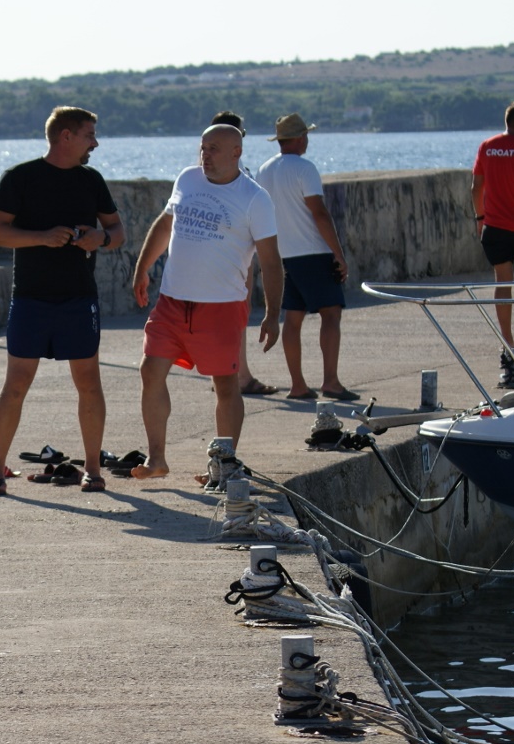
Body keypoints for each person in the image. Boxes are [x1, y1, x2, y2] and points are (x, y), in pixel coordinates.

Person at [0, 107, 126, 497]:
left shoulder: (91, 180)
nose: (95, 142)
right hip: (31, 298)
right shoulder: (21, 178)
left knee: (89, 384)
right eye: (89, 134)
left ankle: (93, 470)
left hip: (79, 299)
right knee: (15, 385)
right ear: (65, 136)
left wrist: (102, 239)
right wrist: (43, 237)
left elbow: (117, 231)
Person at [129, 124, 283, 481]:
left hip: (221, 307)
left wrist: (272, 314)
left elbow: (272, 261)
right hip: (171, 301)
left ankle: (224, 465)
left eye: (214, 149)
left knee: (226, 385)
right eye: (202, 148)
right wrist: (142, 268)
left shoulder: (254, 198)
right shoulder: (187, 179)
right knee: (150, 371)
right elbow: (165, 225)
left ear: (236, 153)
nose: (205, 156)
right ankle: (157, 459)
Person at [256, 114, 356, 401]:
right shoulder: (304, 168)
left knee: (293, 318)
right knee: (331, 314)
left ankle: (297, 384)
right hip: (313, 251)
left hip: (283, 254)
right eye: (306, 136)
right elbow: (319, 213)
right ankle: (331, 382)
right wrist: (338, 253)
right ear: (300, 138)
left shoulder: (264, 170)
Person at [210, 110, 279, 397]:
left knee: (217, 320)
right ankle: (239, 376)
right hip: (236, 258)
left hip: (211, 257)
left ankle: (226, 374)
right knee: (236, 317)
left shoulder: (199, 177)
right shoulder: (241, 179)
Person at [472, 100, 514, 389]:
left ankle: (507, 348)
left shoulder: (486, 146)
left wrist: (480, 217)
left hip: (494, 227)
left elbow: (476, 186)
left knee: (502, 281)